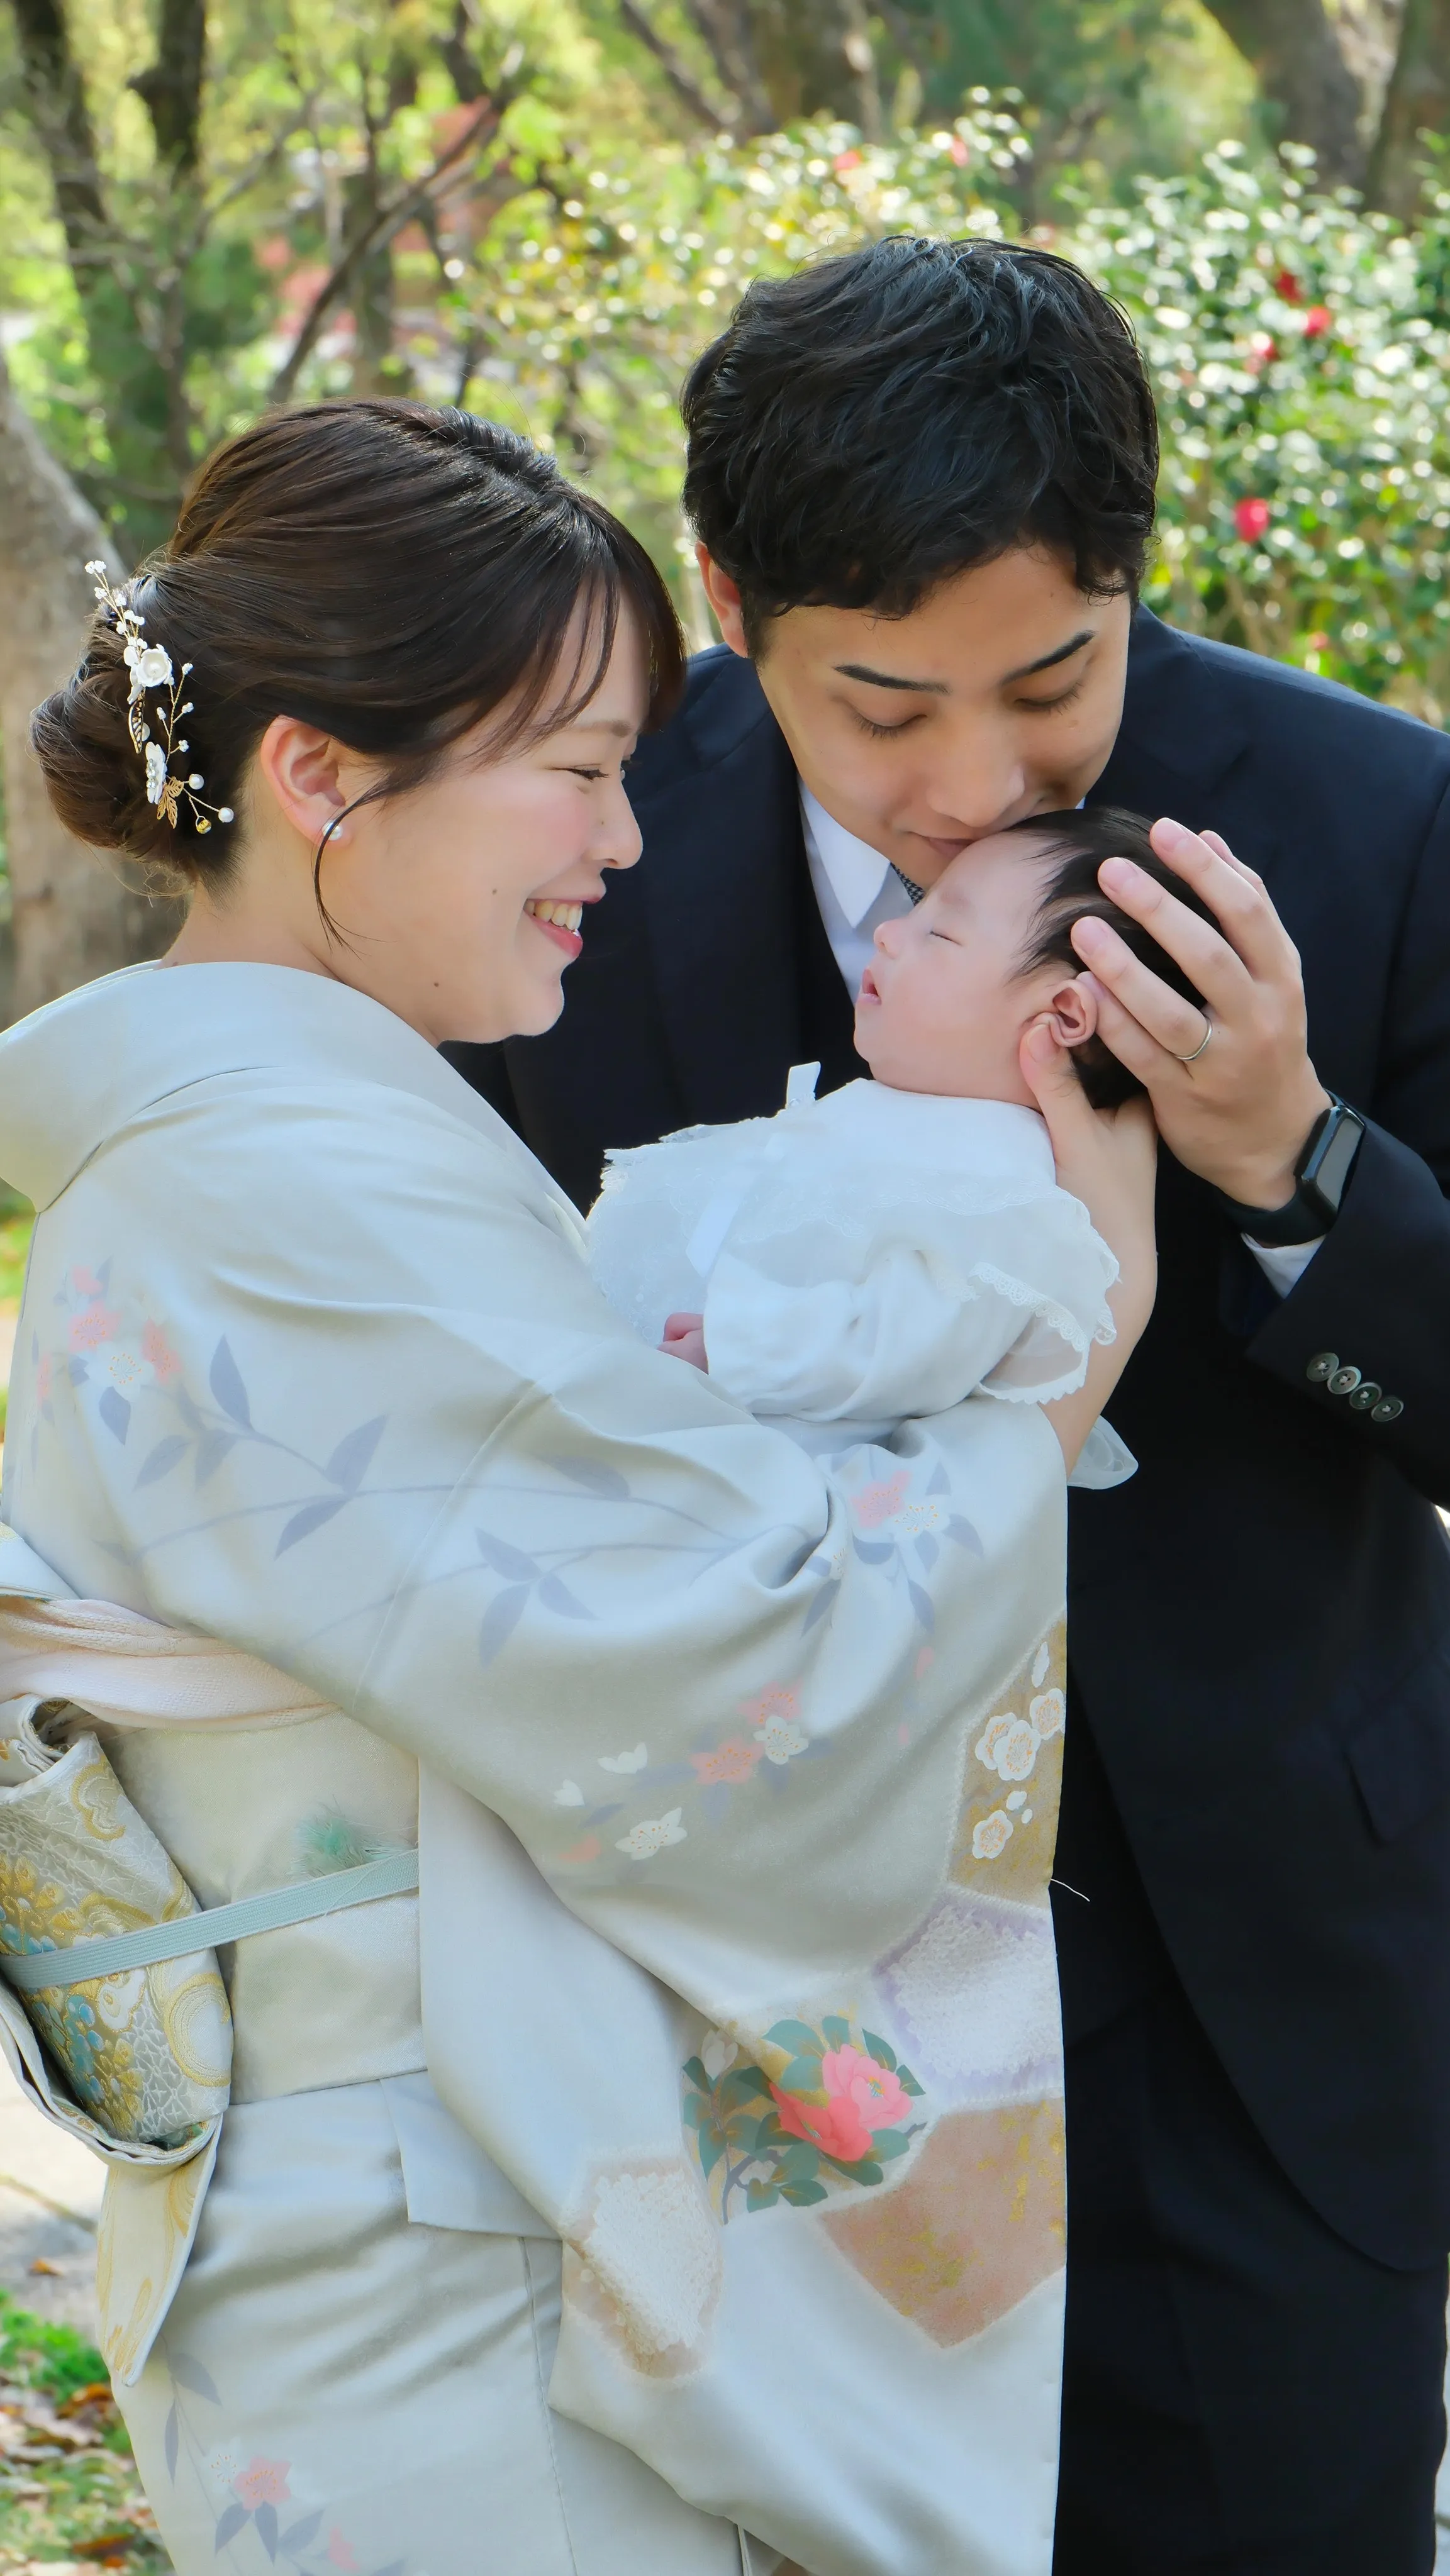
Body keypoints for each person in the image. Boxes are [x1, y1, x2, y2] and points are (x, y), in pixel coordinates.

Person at [0, 399, 1154, 2576]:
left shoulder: (297, 1146)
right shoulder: (284, 1181)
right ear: (321, 775)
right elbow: (746, 1668)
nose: (625, 838)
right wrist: (1055, 1361)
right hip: (439, 2242)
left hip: (428, 2198)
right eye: (581, 760)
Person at [453, 238, 1450, 2575]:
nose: (968, 783)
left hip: (1249, 2027)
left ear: (1131, 572)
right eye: (879, 707)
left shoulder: (1377, 820)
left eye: (1050, 684)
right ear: (727, 607)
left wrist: (1294, 1166)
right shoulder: (552, 854)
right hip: (716, 2026)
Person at [588, 809, 1197, 1468]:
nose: (887, 933)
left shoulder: (1000, 1179)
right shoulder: (923, 1123)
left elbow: (924, 1337)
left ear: (1063, 1016)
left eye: (939, 930)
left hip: (753, 1457)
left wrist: (743, 1348)